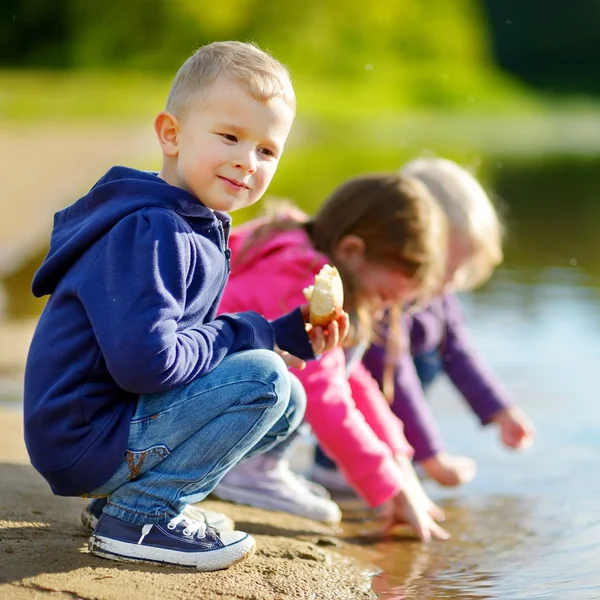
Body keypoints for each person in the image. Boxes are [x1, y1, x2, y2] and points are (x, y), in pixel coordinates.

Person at [23, 40, 348, 571]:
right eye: (230, 137)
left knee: (287, 394)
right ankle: (141, 515)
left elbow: (174, 347)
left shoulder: (191, 223)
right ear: (172, 135)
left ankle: (120, 504)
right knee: (264, 380)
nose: (248, 161)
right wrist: (248, 335)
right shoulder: (151, 231)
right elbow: (146, 365)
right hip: (85, 437)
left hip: (107, 428)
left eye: (267, 151)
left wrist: (280, 331)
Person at [214, 173, 451, 542]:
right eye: (384, 294)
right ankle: (248, 470)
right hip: (202, 399)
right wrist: (388, 489)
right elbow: (326, 397)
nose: (383, 306)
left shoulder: (296, 247)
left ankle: (250, 465)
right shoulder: (299, 281)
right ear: (353, 251)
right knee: (315, 368)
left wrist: (400, 465)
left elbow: (350, 381)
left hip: (205, 388)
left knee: (344, 349)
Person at [360, 157, 536, 487]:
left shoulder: (438, 293)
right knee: (413, 364)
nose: (450, 282)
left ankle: (401, 450)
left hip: (393, 394)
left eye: (460, 271)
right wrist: (433, 457)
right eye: (444, 269)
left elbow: (460, 351)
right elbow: (395, 374)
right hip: (361, 392)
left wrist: (501, 410)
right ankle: (346, 463)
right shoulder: (384, 296)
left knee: (433, 353)